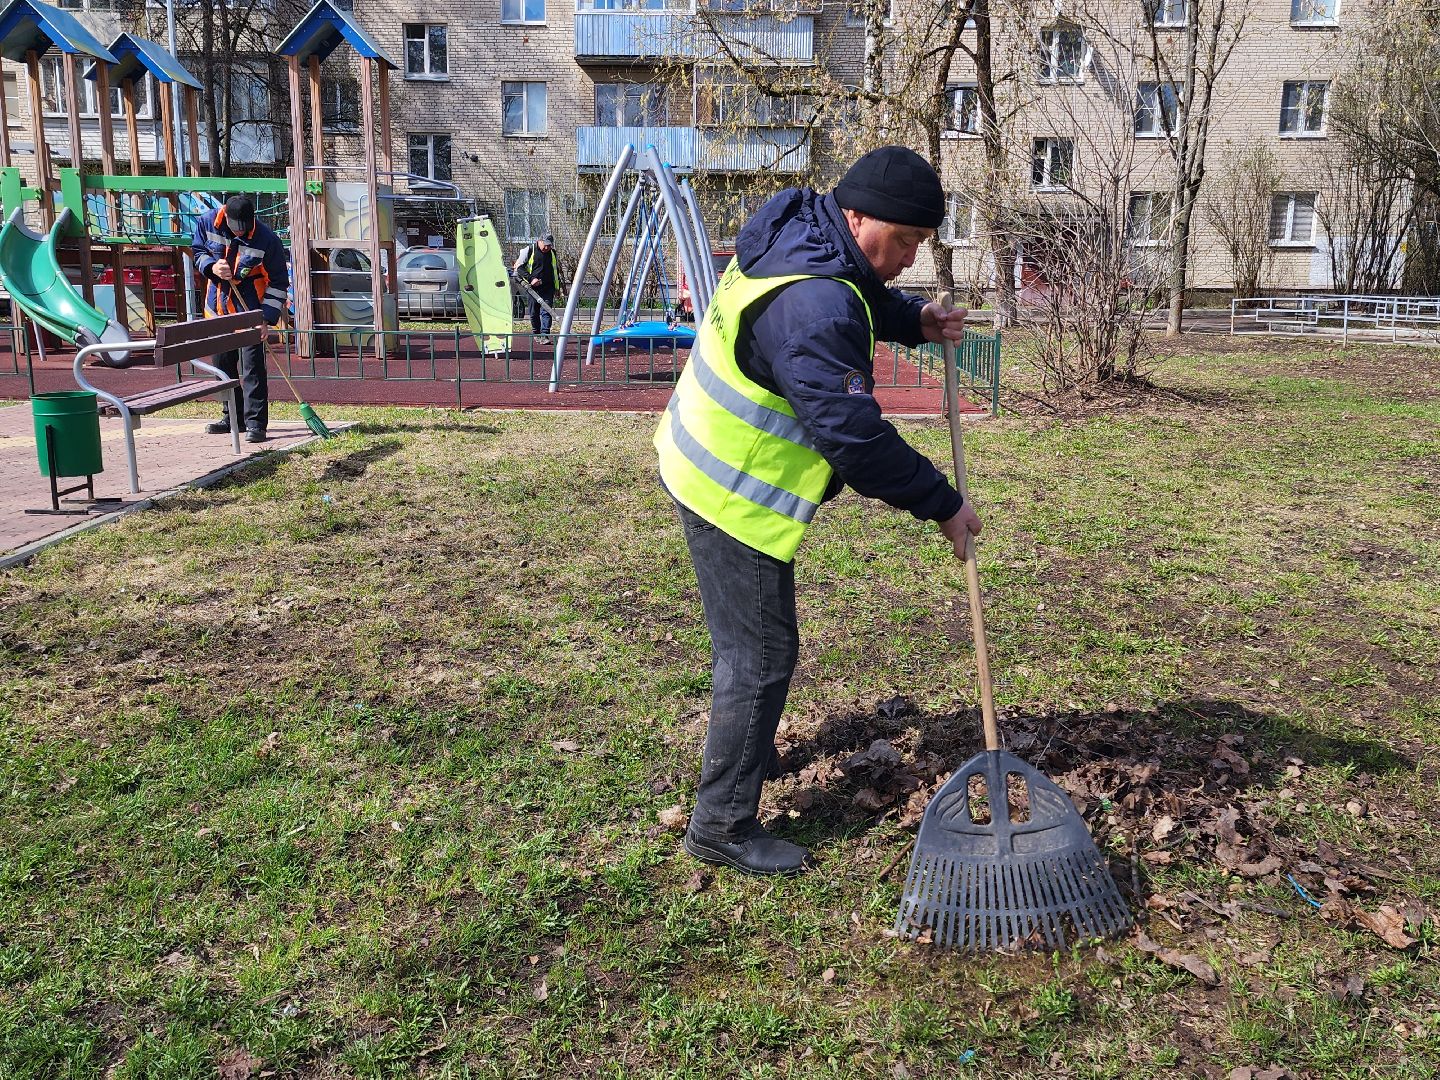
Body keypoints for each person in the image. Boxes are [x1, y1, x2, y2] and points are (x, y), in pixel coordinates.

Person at [654, 146, 984, 877]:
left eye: (919, 244)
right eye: (902, 240)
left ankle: (749, 749)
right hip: (730, 489)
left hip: (701, 453)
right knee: (760, 655)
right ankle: (720, 825)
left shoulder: (805, 234)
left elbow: (857, 295)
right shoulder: (814, 304)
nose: (908, 257)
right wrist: (942, 504)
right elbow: (854, 438)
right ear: (857, 216)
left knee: (755, 648)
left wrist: (914, 320)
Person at [190, 195, 289, 443]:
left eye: (245, 227)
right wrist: (212, 267)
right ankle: (232, 417)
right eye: (236, 227)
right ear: (226, 216)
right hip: (217, 311)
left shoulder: (267, 239)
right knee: (223, 367)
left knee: (252, 368)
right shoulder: (207, 223)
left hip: (250, 313)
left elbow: (278, 283)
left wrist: (265, 318)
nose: (240, 232)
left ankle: (256, 423)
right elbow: (198, 251)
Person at [512, 233, 561, 342]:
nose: (547, 247)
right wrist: (531, 279)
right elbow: (518, 268)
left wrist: (557, 287)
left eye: (549, 245)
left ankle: (545, 335)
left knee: (546, 311)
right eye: (545, 245)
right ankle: (536, 333)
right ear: (539, 241)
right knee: (534, 312)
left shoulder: (552, 253)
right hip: (532, 288)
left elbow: (555, 271)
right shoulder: (529, 250)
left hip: (548, 287)